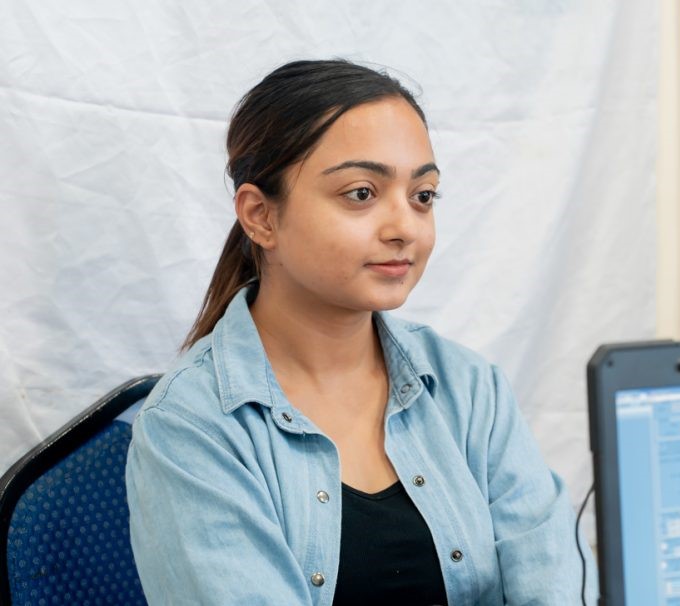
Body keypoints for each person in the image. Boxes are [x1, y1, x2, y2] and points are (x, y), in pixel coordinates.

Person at [125, 59, 596, 606]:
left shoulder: (471, 388)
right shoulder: (191, 426)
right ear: (260, 216)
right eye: (361, 193)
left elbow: (554, 585)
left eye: (423, 195)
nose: (404, 228)